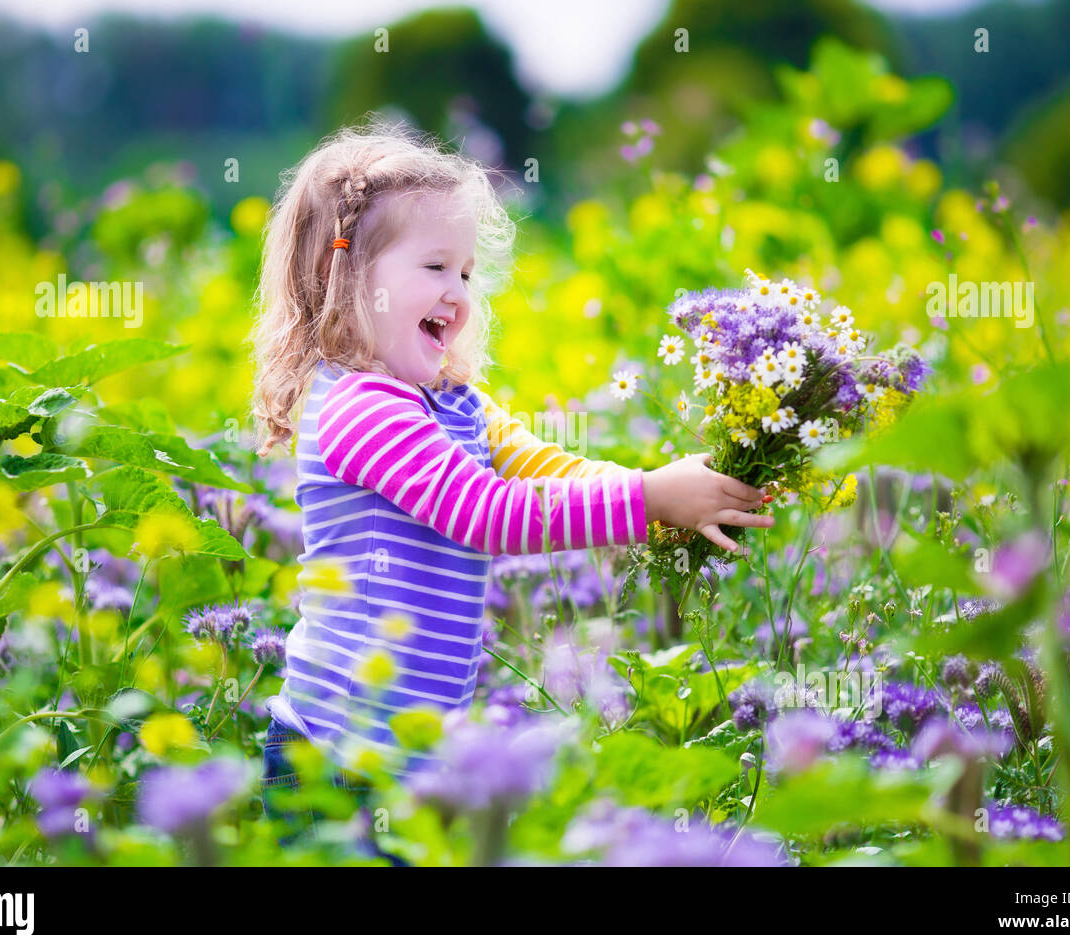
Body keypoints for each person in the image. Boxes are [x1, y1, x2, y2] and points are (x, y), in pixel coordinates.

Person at [248, 118, 773, 863]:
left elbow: (546, 468)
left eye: (466, 272)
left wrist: (664, 494)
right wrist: (651, 498)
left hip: (416, 760)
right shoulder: (359, 407)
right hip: (337, 760)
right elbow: (486, 515)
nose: (457, 293)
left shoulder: (453, 402)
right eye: (435, 267)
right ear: (351, 278)